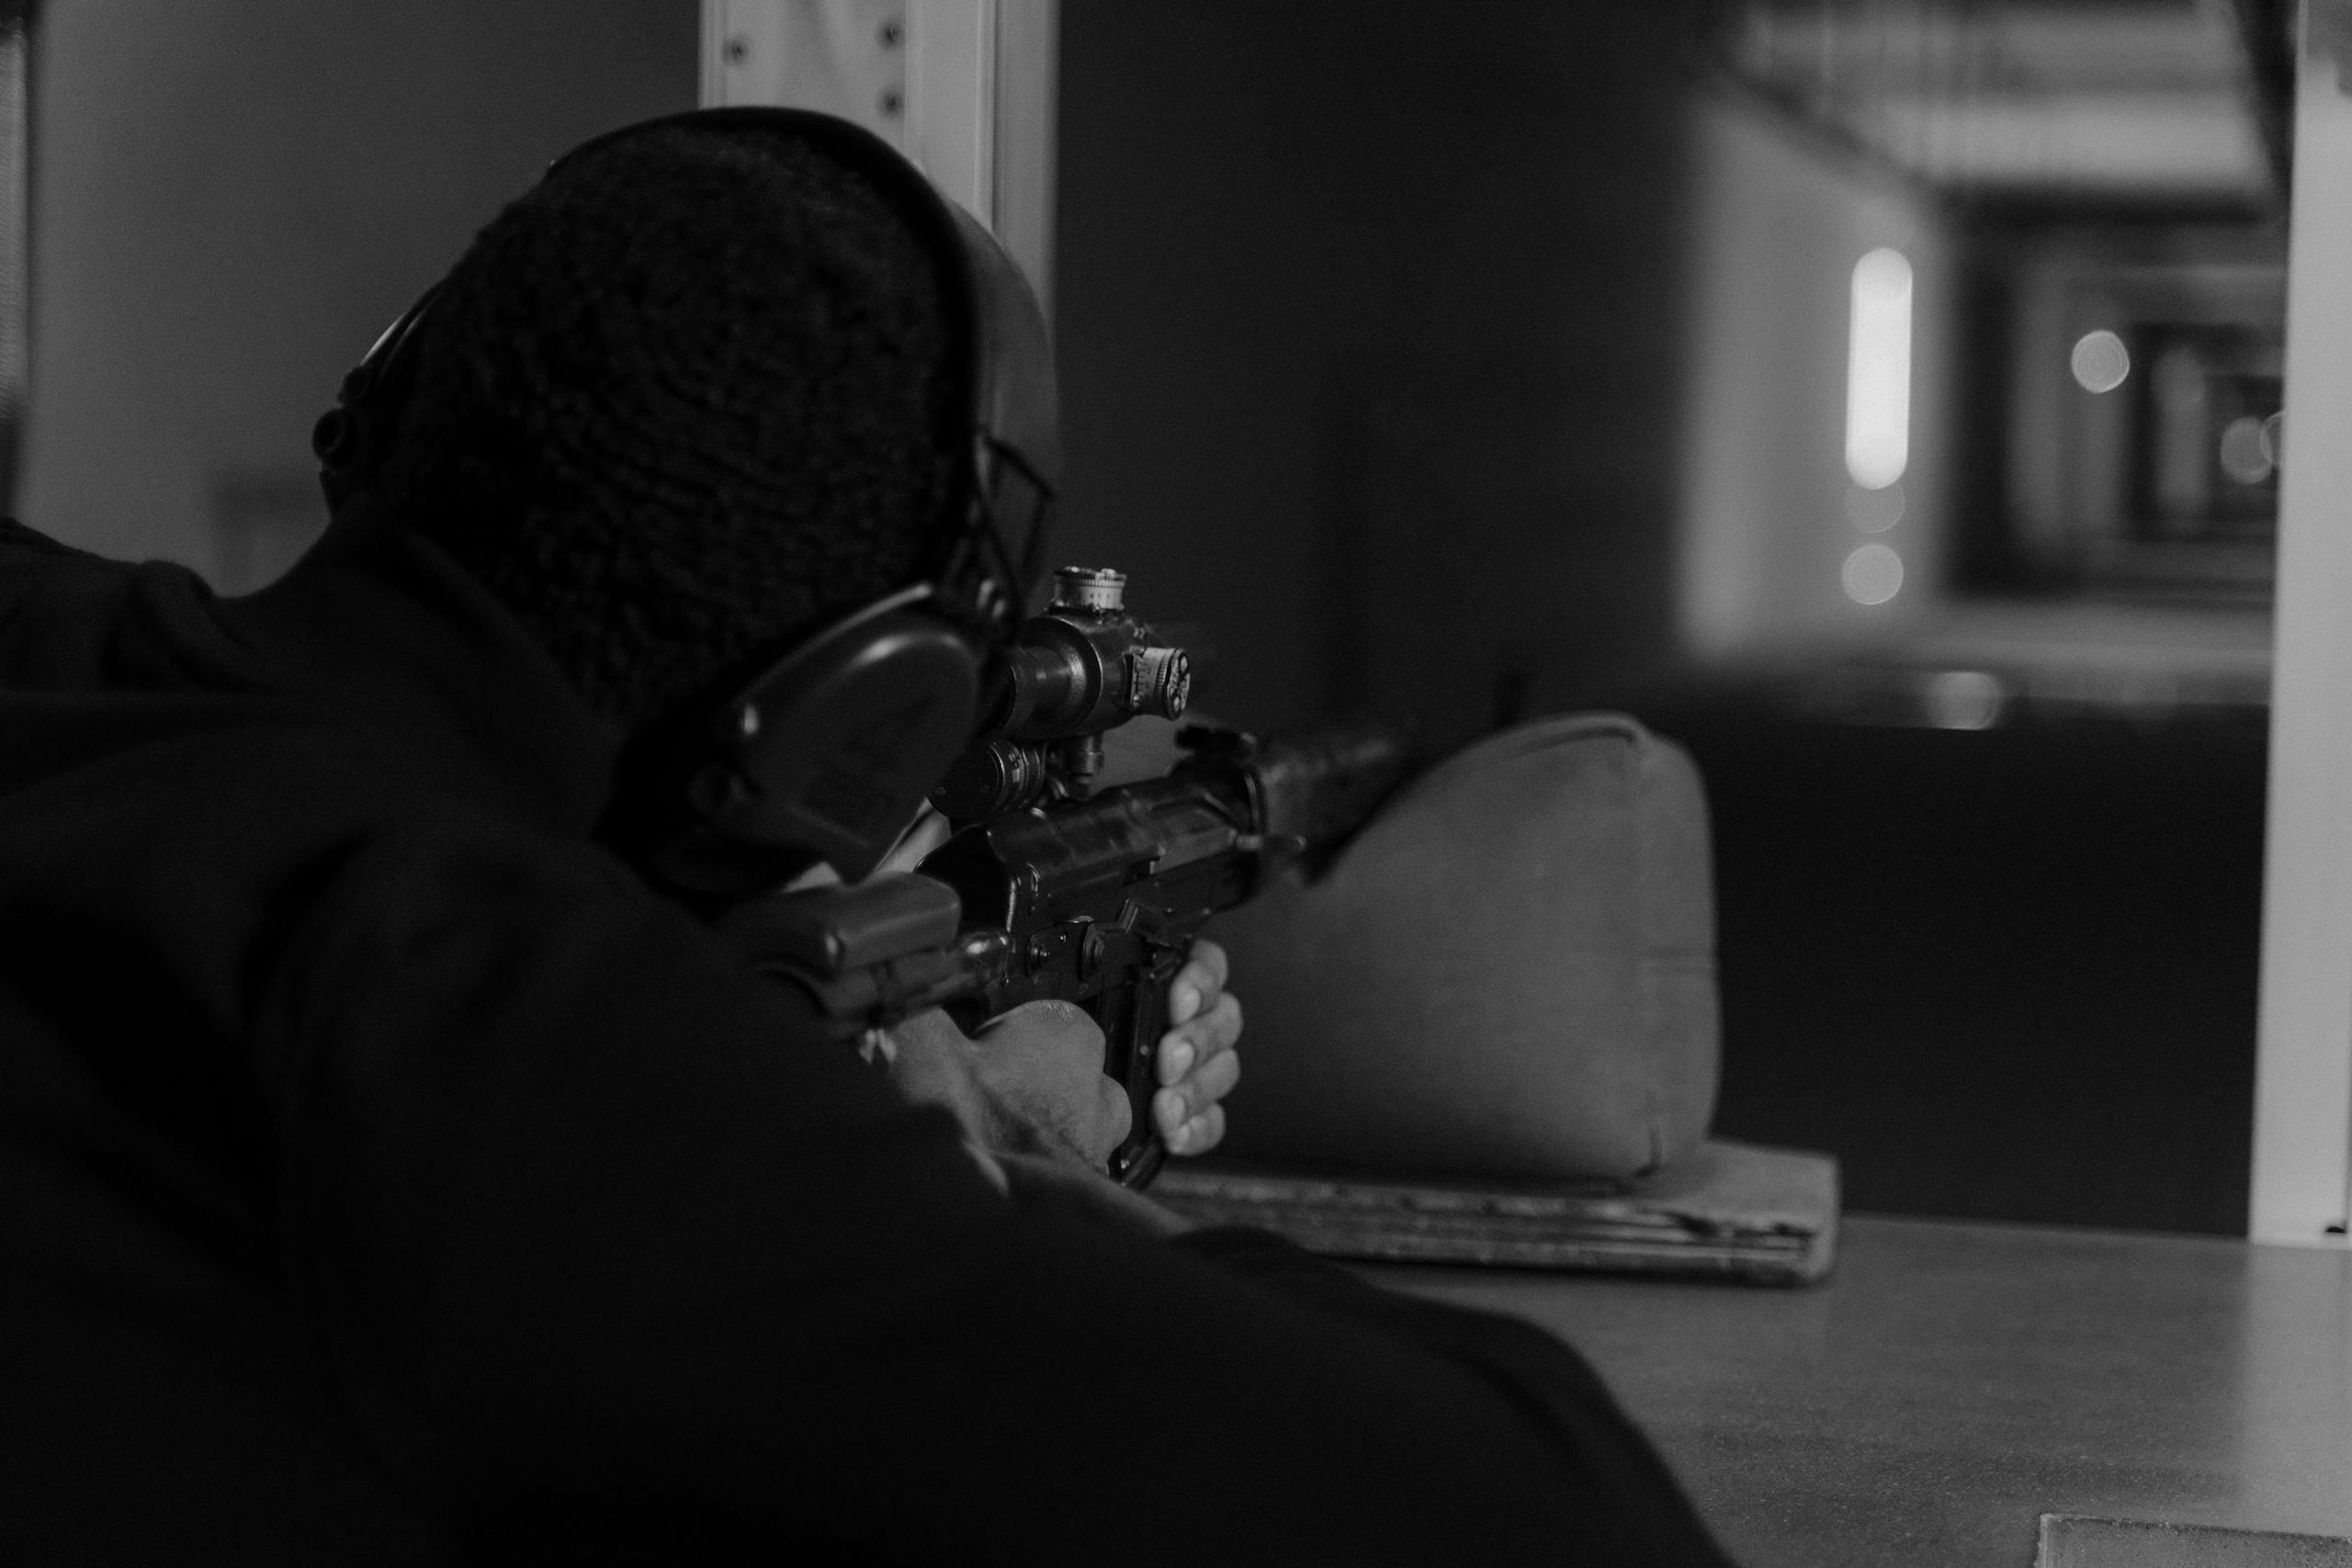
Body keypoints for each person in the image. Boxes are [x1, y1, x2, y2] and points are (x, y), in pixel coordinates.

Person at [0, 108, 1735, 1564]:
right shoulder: (523, 1068)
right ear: (860, 704)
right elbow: (1556, 1507)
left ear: (391, 399)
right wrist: (990, 1166)